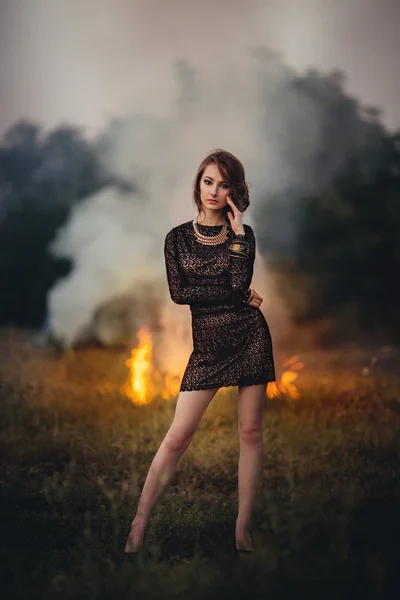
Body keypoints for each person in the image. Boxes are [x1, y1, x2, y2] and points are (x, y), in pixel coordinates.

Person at [124, 149, 276, 554]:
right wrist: (235, 293)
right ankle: (138, 524)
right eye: (208, 181)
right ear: (198, 184)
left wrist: (240, 237)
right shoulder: (176, 238)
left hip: (249, 337)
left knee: (251, 432)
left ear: (235, 190)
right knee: (177, 437)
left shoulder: (243, 235)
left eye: (223, 184)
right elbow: (180, 294)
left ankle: (242, 530)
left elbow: (238, 282)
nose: (214, 190)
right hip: (208, 347)